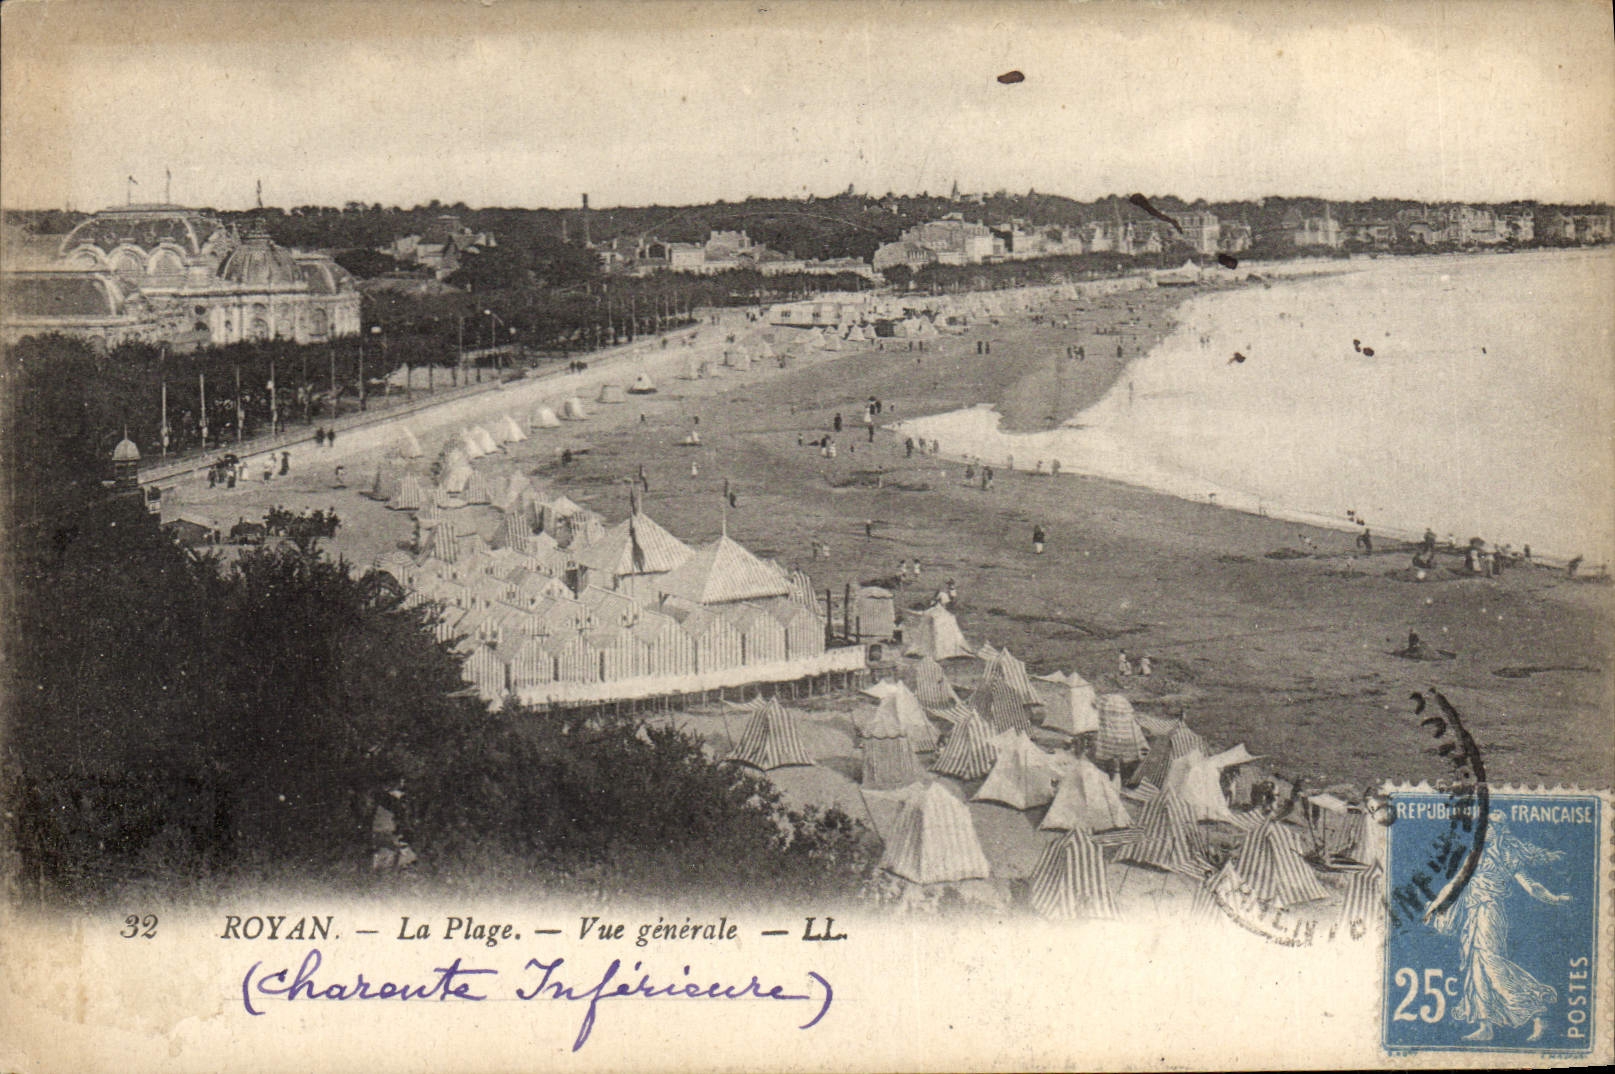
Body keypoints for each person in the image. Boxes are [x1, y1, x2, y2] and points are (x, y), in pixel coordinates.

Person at [1423, 811, 1572, 1042]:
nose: (1483, 832)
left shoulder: (1507, 854)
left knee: (1492, 964)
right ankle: (1486, 1026)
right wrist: (1435, 905)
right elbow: (1456, 883)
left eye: (1489, 827)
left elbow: (1530, 885)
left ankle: (1538, 1009)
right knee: (1475, 968)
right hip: (1472, 914)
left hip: (1491, 912)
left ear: (1499, 829)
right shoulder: (1474, 855)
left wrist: (1553, 898)